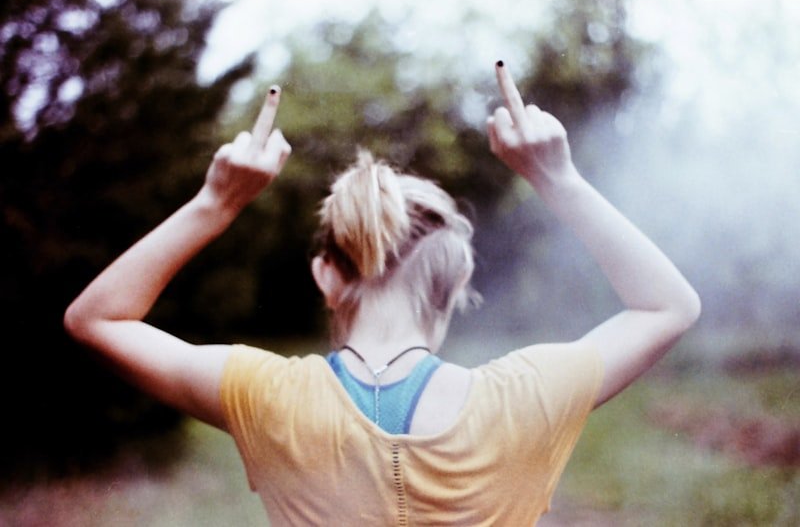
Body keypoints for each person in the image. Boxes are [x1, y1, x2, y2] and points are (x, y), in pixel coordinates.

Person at [64, 63, 700, 525]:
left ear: (326, 276)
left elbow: (97, 320)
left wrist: (216, 201)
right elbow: (668, 306)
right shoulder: (527, 397)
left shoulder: (264, 397)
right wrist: (557, 179)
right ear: (455, 288)